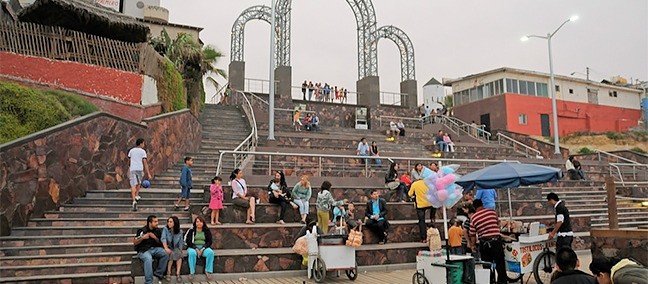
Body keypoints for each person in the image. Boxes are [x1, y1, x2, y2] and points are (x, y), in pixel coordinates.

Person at [468, 199, 506, 284]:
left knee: (487, 266)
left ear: (474, 207)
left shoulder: (473, 218)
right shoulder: (492, 212)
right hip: (496, 242)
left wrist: (473, 246)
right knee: (500, 265)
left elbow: (472, 235)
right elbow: (498, 223)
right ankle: (502, 282)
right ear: (482, 204)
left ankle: (490, 281)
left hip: (484, 244)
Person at [134, 215, 168, 284]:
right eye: (155, 222)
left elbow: (160, 243)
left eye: (157, 221)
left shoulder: (158, 231)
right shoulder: (142, 230)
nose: (157, 223)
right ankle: (149, 282)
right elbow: (134, 242)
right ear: (150, 223)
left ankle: (159, 273)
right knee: (148, 258)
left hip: (154, 249)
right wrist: (143, 238)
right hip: (143, 250)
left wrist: (155, 238)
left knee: (165, 253)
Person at [184, 216, 214, 281]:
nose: (199, 223)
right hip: (193, 247)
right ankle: (192, 272)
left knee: (210, 253)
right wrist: (196, 248)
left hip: (203, 247)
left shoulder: (206, 230)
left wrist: (203, 248)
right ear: (195, 223)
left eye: (200, 222)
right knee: (192, 253)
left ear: (203, 223)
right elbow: (189, 242)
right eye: (197, 222)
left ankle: (208, 271)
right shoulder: (191, 230)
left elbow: (209, 241)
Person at [129, 138, 152, 212]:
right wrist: (148, 173)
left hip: (132, 169)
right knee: (139, 182)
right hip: (139, 168)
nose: (143, 145)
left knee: (133, 185)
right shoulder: (143, 152)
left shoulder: (131, 151)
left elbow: (129, 160)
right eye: (143, 143)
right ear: (141, 144)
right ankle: (136, 195)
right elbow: (145, 162)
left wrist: (131, 166)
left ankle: (134, 201)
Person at [161, 216, 183, 282]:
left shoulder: (180, 231)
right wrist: (166, 248)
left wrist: (180, 249)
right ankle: (168, 272)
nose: (169, 223)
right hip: (167, 246)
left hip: (175, 247)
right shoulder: (165, 229)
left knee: (179, 254)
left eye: (171, 222)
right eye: (168, 222)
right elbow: (163, 239)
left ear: (175, 223)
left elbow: (181, 241)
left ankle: (178, 273)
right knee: (171, 253)